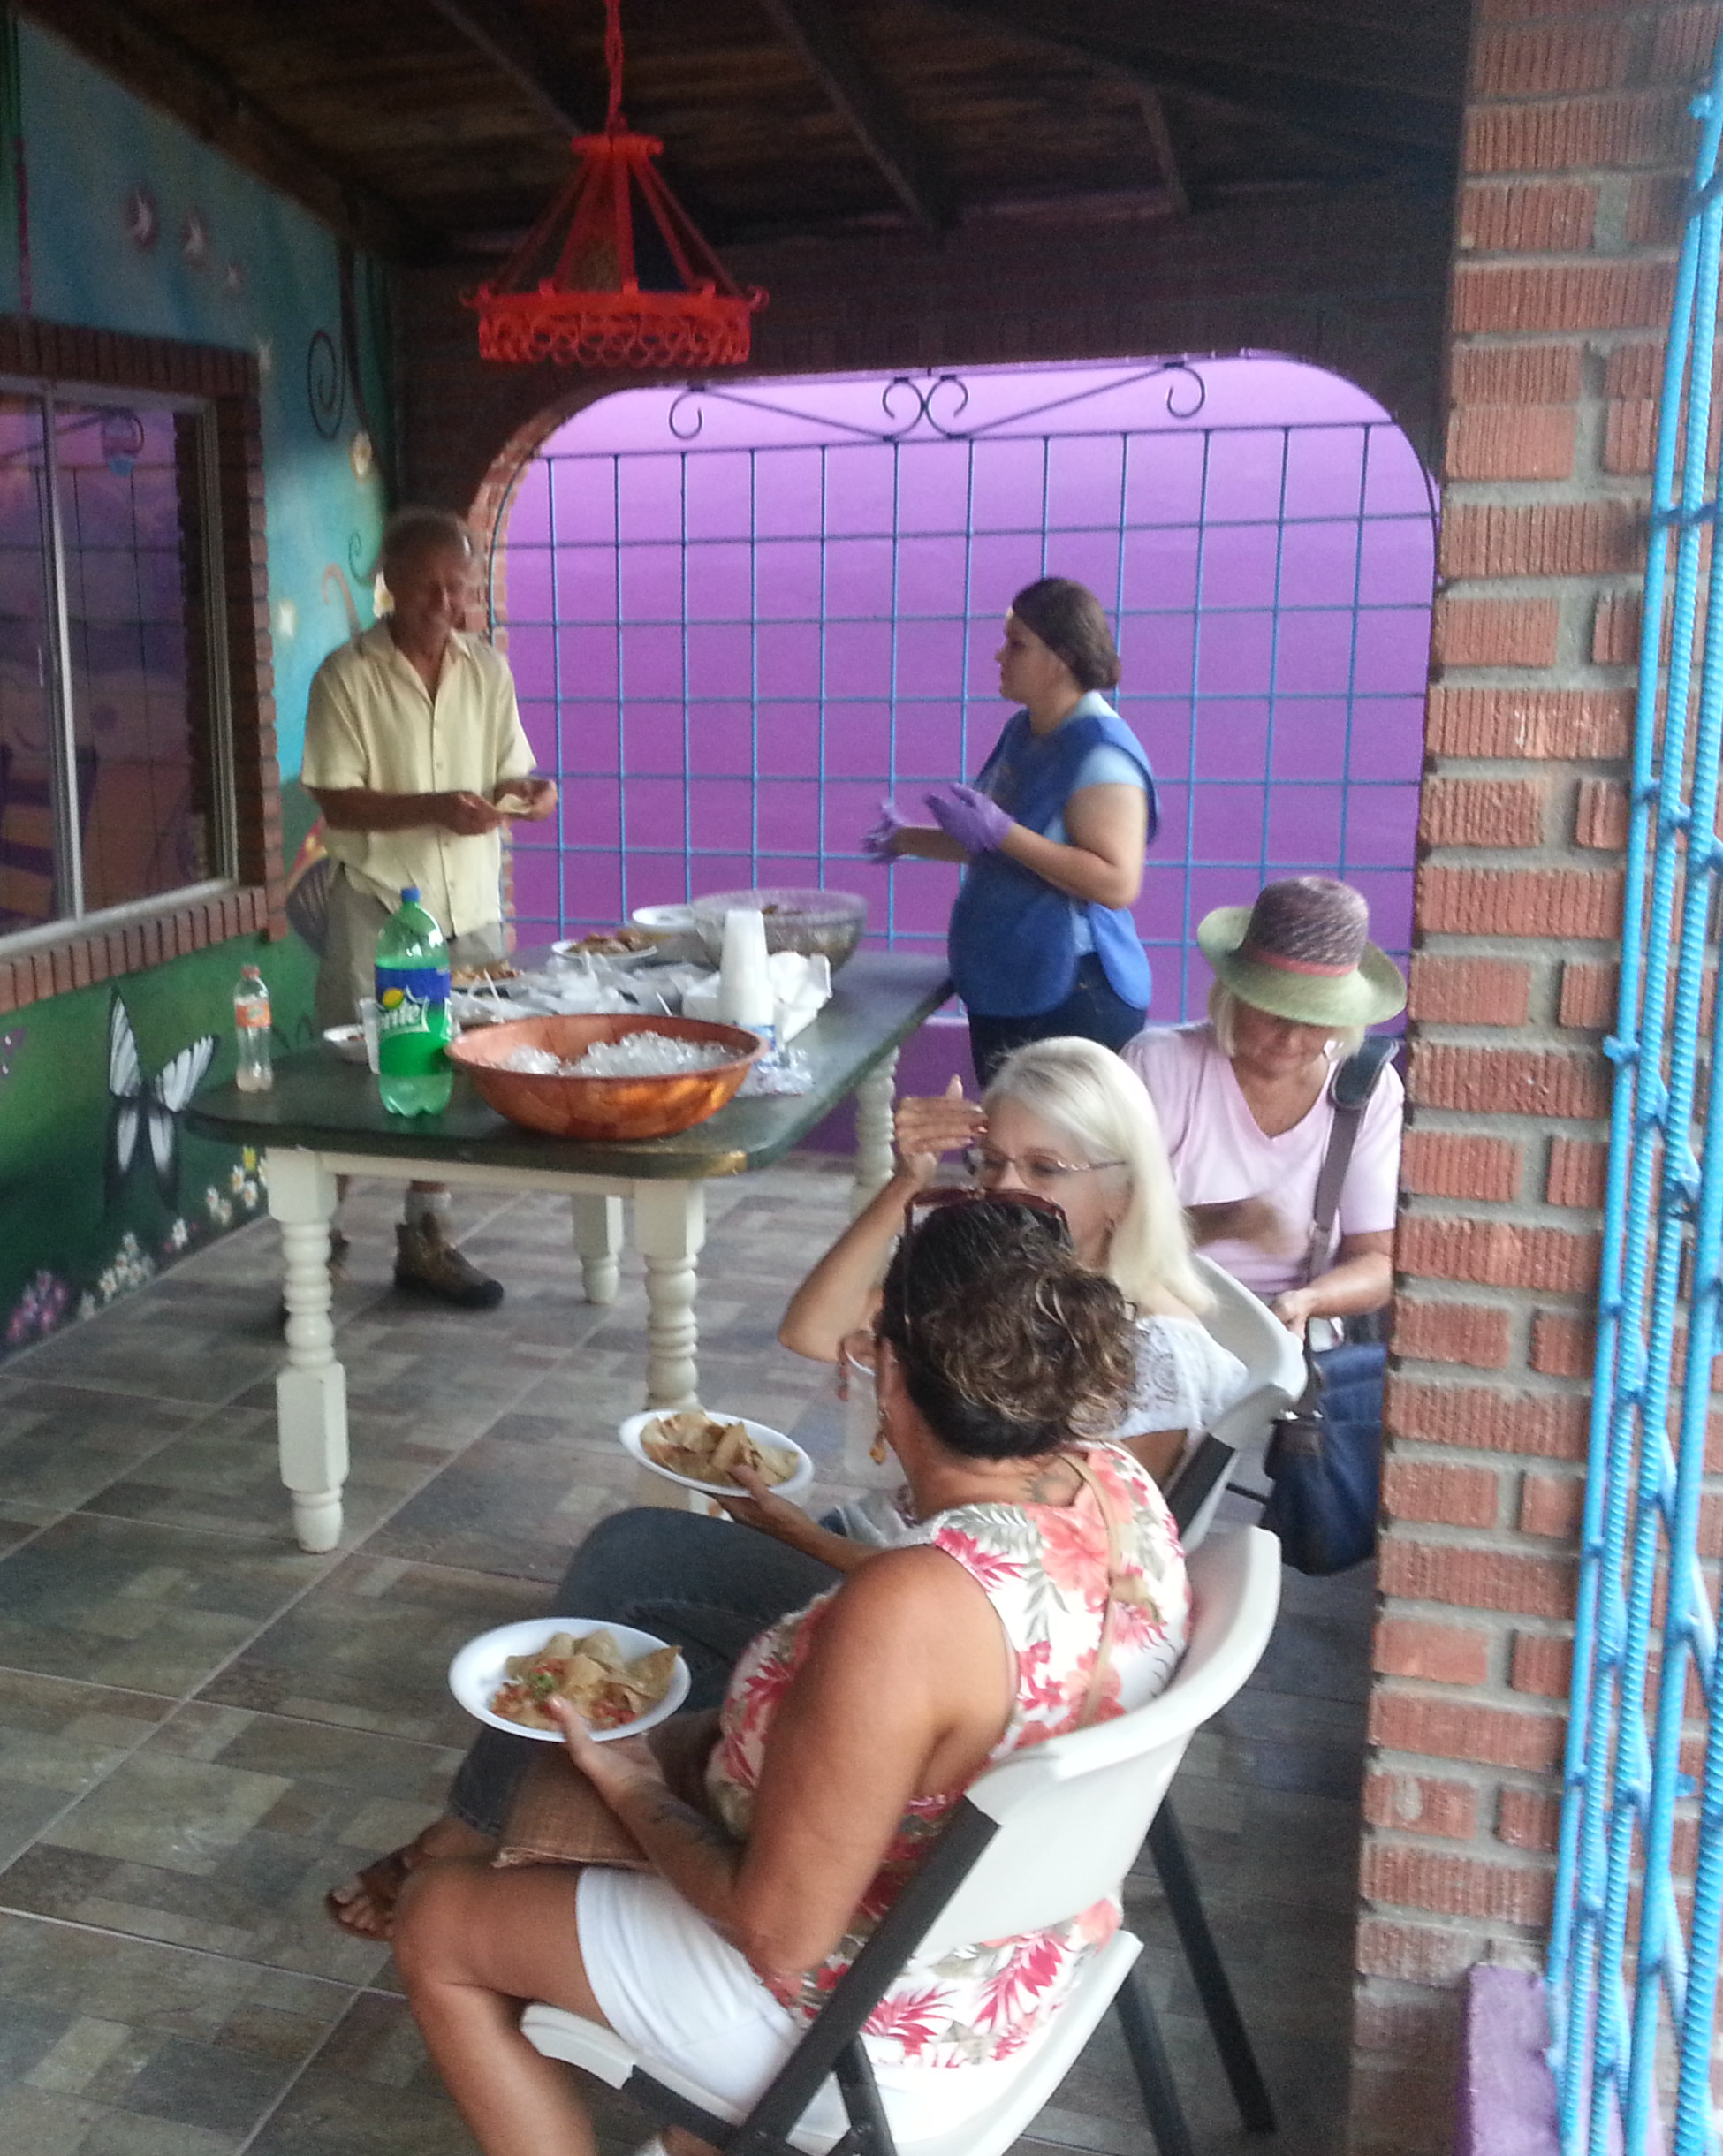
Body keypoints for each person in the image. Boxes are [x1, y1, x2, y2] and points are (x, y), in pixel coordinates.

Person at [325, 1037, 1237, 1940]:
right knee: (640, 1580)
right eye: (990, 1161)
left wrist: (799, 1535)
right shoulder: (1002, 1298)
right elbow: (813, 1329)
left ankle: (480, 1836)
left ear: (1124, 1190)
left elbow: (1016, 1592)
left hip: (933, 1634)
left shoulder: (1141, 1357)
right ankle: (559, 1819)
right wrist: (906, 1181)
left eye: (1043, 1169)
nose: (1005, 1190)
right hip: (905, 1576)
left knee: (636, 1573)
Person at [392, 1196, 1189, 2156]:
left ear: (889, 1373)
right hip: (1029, 1954)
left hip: (879, 2034)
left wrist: (634, 1786)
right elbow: (991, 1613)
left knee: (436, 1918)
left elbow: (778, 1935)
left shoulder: (907, 1612)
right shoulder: (1115, 1485)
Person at [301, 506, 558, 1309]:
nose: (446, 604)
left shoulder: (487, 671)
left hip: (469, 908)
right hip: (378, 906)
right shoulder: (346, 676)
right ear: (390, 584)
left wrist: (529, 792)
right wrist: (433, 808)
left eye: (459, 587)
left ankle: (427, 1237)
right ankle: (317, 1251)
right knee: (357, 1075)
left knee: (456, 1076)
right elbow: (335, 799)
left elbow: (511, 768)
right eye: (427, 588)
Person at [864, 578, 1158, 1078]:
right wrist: (908, 838)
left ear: (1061, 659)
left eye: (1017, 645)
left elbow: (1116, 883)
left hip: (1072, 994)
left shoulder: (1102, 754)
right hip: (1012, 985)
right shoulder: (1025, 731)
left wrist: (1004, 833)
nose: (1000, 656)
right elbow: (998, 843)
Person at [1123, 875, 1406, 1335]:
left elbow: (1377, 1259)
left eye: (1315, 1020)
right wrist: (1224, 1221)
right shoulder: (1159, 1064)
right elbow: (1104, 1229)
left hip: (1296, 1332)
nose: (1291, 1039)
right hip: (1161, 1315)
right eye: (1273, 1014)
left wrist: (1309, 1300)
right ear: (1235, 994)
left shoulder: (1366, 1086)